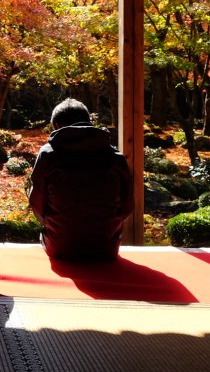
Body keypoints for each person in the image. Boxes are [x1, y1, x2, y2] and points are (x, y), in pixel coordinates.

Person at [28, 98, 133, 262]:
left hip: (60, 247)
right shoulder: (115, 156)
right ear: (88, 122)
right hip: (106, 249)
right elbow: (127, 207)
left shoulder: (48, 154)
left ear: (57, 125)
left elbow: (37, 203)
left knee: (34, 188)